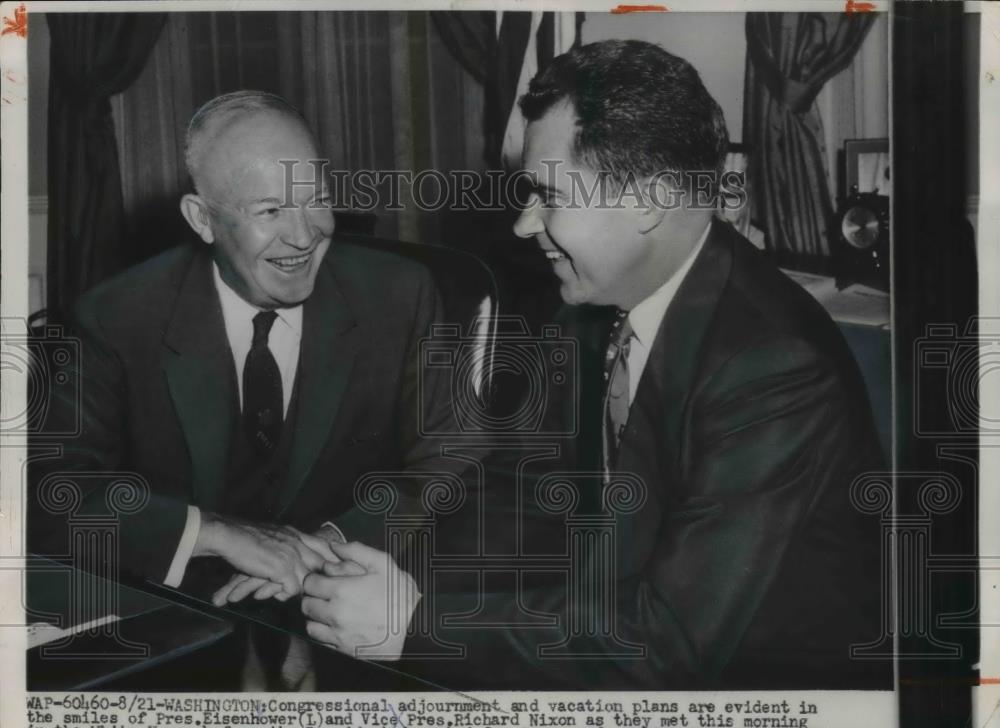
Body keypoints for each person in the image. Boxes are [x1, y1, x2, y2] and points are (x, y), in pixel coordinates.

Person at [300, 40, 890, 691]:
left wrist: (414, 625)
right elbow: (515, 492)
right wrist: (363, 589)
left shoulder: (773, 369)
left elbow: (666, 648)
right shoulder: (588, 302)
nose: (526, 224)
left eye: (549, 194)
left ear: (649, 199)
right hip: (612, 628)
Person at [28, 91, 458, 686]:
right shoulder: (116, 316)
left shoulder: (402, 294)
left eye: (316, 201)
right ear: (202, 218)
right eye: (270, 211)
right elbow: (51, 492)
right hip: (188, 617)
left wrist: (328, 548)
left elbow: (453, 460)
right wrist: (215, 533)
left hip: (355, 612)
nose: (305, 235)